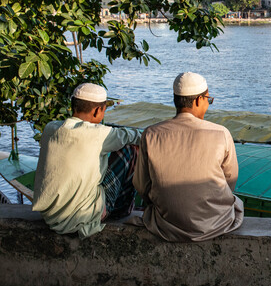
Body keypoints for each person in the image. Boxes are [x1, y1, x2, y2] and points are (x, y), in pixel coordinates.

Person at [133, 72, 243, 242]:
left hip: (165, 223)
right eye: (208, 99)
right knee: (237, 203)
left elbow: (141, 186)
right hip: (215, 223)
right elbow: (230, 182)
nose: (208, 104)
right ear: (199, 100)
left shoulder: (151, 134)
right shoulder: (221, 133)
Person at [33, 83, 142, 238]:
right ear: (98, 110)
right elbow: (136, 137)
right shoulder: (99, 134)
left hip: (51, 217)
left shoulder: (50, 128)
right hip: (82, 217)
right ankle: (122, 209)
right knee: (129, 150)